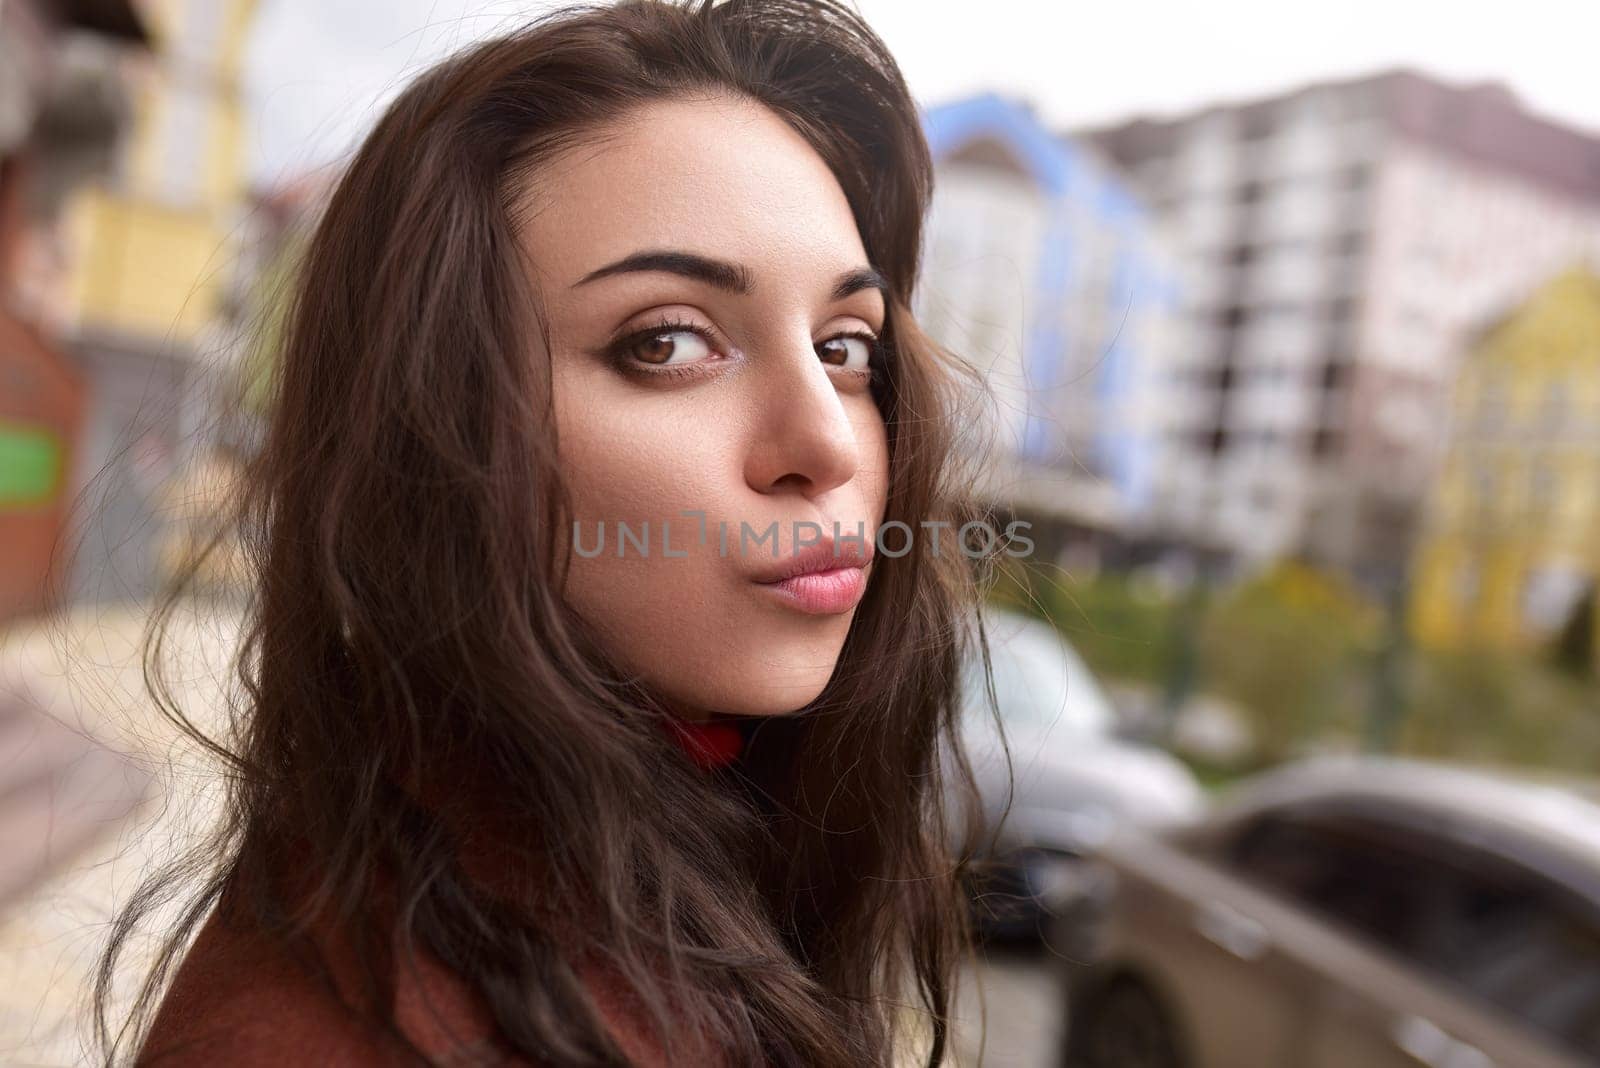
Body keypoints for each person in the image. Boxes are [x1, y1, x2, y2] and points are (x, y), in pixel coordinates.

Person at [101, 1, 997, 1064]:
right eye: (667, 341)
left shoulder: (698, 851)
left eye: (844, 346)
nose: (828, 443)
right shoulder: (338, 1024)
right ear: (430, 430)